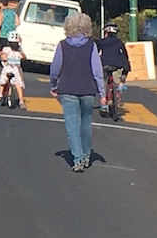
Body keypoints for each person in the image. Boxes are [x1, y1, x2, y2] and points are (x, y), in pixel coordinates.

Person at [49, 12, 105, 173]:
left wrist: (53, 85)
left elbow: (55, 69)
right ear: (87, 27)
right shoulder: (91, 46)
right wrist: (102, 93)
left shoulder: (62, 45)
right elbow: (97, 71)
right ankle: (87, 155)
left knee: (72, 125)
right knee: (86, 123)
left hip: (67, 89)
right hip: (88, 89)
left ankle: (77, 159)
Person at [96, 22, 131, 115]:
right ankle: (121, 85)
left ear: (106, 32)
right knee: (125, 69)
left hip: (105, 64)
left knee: (103, 83)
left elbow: (95, 54)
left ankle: (103, 105)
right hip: (119, 66)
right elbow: (125, 54)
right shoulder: (119, 42)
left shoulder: (101, 42)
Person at [0, 31, 26, 109]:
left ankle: (0, 94)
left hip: (10, 68)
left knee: (4, 80)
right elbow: (24, 57)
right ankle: (21, 101)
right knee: (17, 84)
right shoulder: (17, 49)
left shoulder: (8, 49)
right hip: (14, 69)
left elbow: (0, 53)